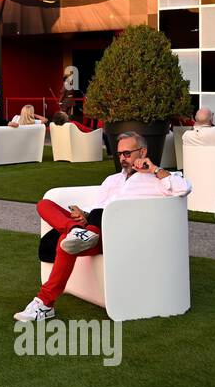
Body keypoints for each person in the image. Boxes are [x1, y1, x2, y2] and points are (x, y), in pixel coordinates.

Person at [13, 131, 191, 322]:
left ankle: (45, 303)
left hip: (117, 236)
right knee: (44, 204)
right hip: (93, 228)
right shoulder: (112, 180)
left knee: (71, 238)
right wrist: (83, 214)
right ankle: (76, 230)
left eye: (127, 153)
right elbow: (96, 207)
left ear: (143, 151)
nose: (122, 158)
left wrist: (154, 169)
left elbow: (184, 188)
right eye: (119, 154)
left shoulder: (157, 180)